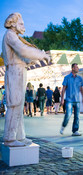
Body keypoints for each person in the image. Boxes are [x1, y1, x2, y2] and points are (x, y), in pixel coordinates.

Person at [2, 13, 50, 147]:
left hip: (19, 70)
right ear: (13, 24)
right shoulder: (10, 35)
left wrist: (36, 57)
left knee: (19, 104)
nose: (24, 26)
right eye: (21, 23)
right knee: (14, 104)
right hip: (14, 72)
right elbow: (23, 51)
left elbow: (24, 59)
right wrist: (41, 55)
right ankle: (10, 138)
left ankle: (19, 136)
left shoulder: (14, 36)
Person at [60, 63, 83, 136]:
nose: (78, 68)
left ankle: (75, 130)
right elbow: (63, 89)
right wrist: (62, 99)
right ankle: (63, 126)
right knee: (68, 115)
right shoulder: (67, 77)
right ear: (73, 68)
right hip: (69, 100)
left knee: (77, 116)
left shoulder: (80, 78)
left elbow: (81, 89)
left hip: (77, 100)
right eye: (76, 67)